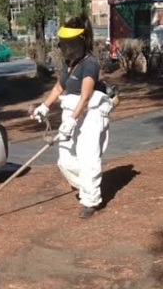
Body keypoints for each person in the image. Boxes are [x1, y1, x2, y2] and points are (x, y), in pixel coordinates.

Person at [30, 16, 115, 219]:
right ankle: (87, 183)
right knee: (65, 160)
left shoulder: (90, 64)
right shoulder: (70, 64)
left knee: (88, 157)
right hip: (72, 112)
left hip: (90, 115)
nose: (67, 47)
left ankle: (90, 200)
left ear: (81, 41)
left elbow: (85, 97)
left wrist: (71, 120)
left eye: (71, 43)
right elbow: (60, 87)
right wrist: (44, 106)